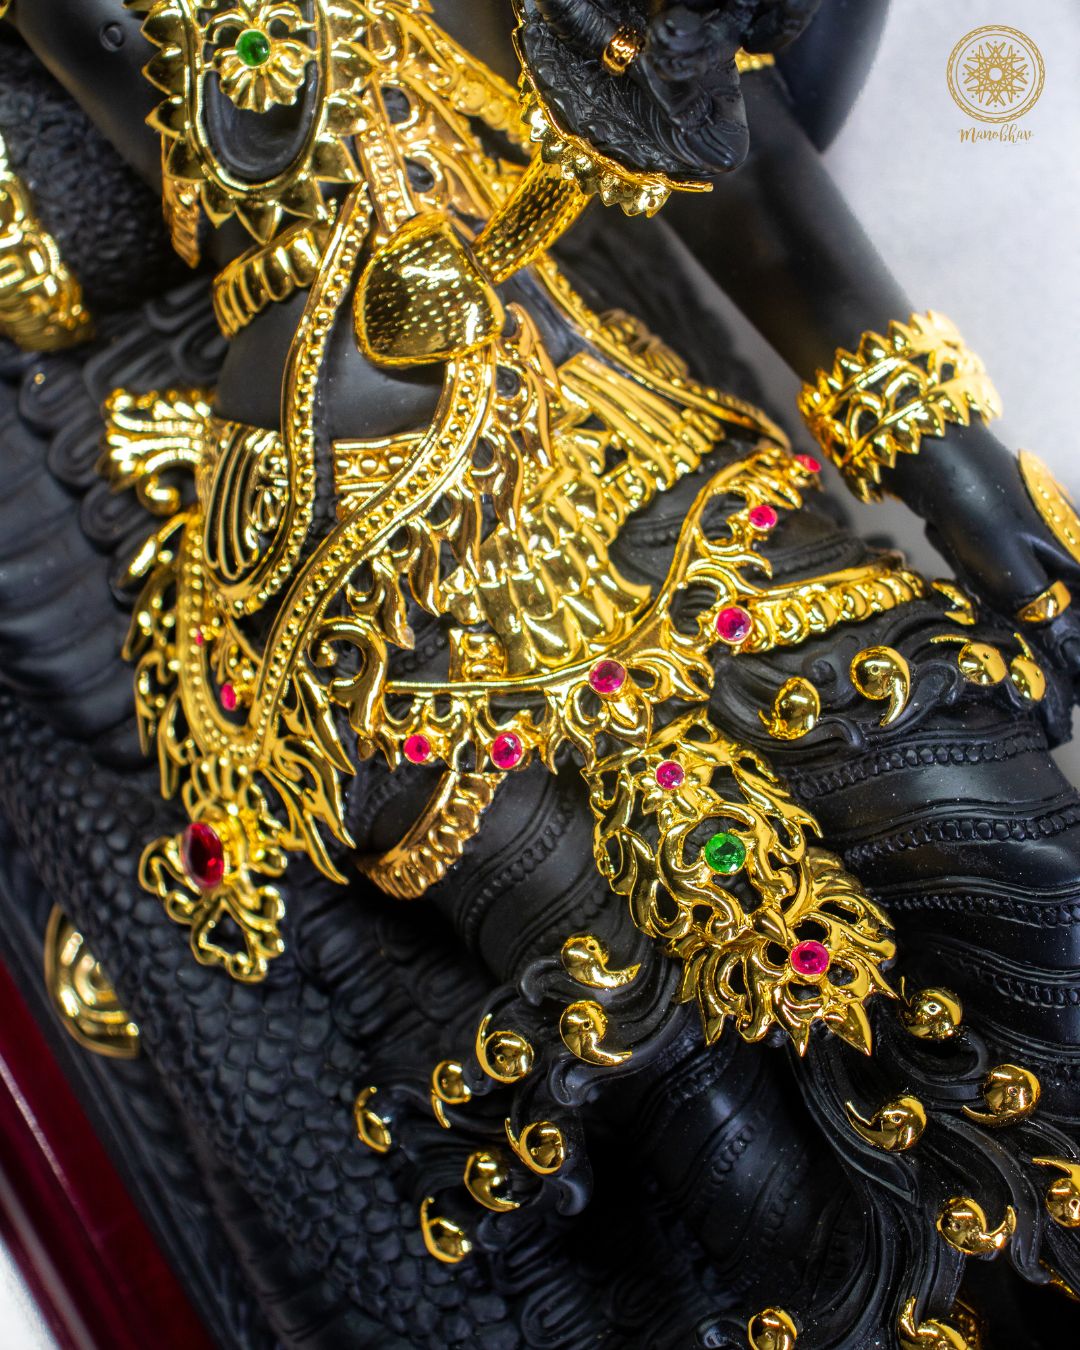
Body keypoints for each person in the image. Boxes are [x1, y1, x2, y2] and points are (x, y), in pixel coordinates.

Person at [0, 1, 1077, 1344]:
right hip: (357, 593)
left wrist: (944, 450)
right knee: (713, 1125)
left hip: (629, 447)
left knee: (1009, 866)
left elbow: (713, 105)